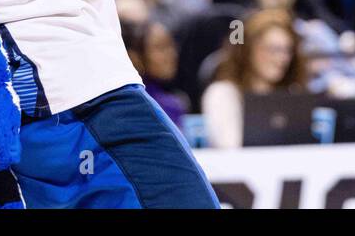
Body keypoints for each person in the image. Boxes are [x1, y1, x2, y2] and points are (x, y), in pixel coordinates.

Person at [201, 8, 307, 148]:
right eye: (273, 49)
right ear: (248, 49)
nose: (282, 59)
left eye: (287, 50)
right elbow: (230, 147)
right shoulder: (222, 93)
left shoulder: (292, 93)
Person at [121, 17, 188, 130]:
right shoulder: (135, 104)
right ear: (134, 56)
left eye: (171, 45)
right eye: (160, 48)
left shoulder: (174, 101)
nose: (171, 54)